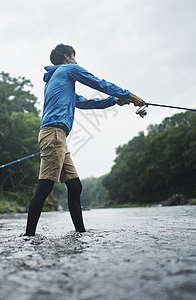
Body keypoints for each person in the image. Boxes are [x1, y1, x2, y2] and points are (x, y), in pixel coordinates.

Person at [25, 44, 146, 236]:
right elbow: (99, 83)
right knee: (45, 185)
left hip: (57, 135)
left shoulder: (56, 77)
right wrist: (130, 95)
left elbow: (84, 102)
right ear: (67, 56)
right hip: (54, 134)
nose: (76, 60)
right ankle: (28, 236)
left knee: (75, 185)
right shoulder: (69, 69)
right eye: (74, 56)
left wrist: (114, 101)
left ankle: (80, 232)